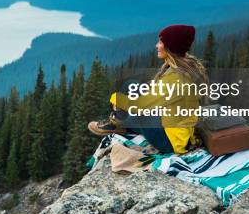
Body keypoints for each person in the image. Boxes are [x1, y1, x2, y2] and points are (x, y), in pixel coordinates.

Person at [88, 24, 207, 154]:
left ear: (171, 46)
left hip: (172, 141)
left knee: (136, 114)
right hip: (170, 123)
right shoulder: (184, 65)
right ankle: (118, 122)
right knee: (131, 85)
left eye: (161, 42)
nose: (157, 45)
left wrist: (115, 99)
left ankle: (118, 123)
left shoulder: (177, 76)